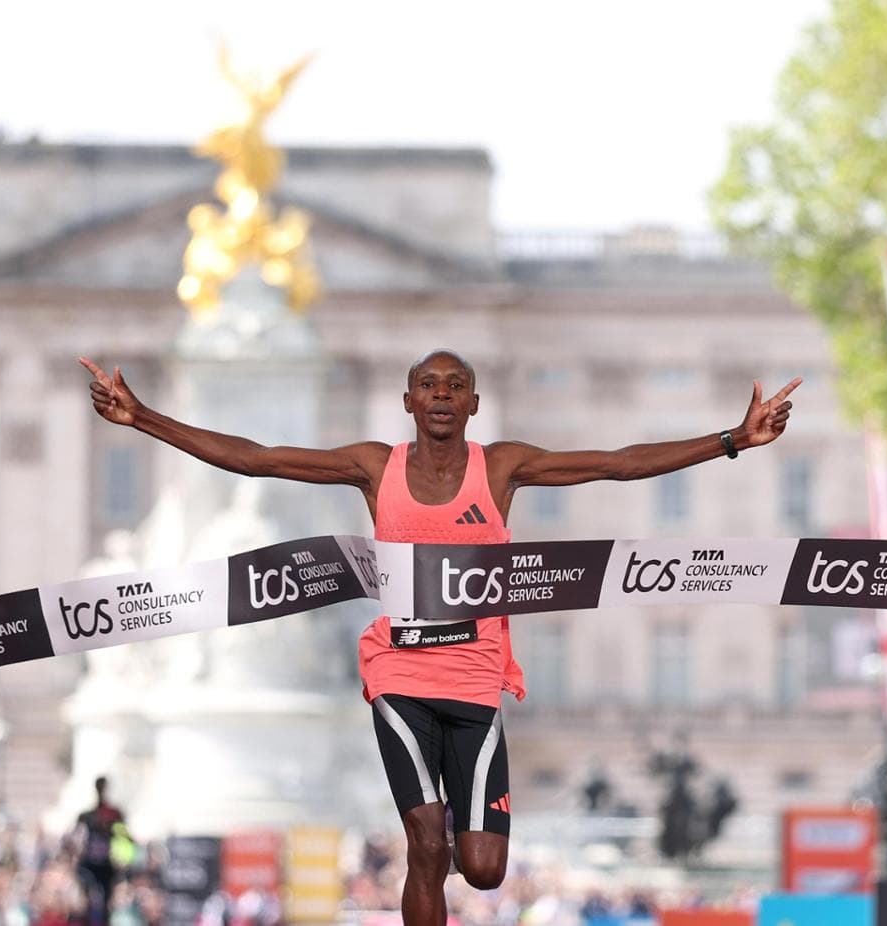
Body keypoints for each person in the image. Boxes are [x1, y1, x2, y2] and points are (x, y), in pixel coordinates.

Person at [81, 348, 799, 917]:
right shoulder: (373, 467)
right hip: (398, 676)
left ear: (474, 403)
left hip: (477, 680)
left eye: (456, 385)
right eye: (429, 384)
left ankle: (453, 844)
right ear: (409, 401)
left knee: (482, 870)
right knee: (426, 843)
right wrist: (143, 417)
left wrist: (734, 439)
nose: (443, 394)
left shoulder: (504, 467)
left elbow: (616, 464)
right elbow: (259, 457)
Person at [73, 775, 127, 925]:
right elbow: (75, 838)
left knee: (106, 903)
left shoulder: (114, 814)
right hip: (90, 864)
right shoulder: (86, 816)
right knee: (89, 900)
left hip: (107, 864)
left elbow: (125, 837)